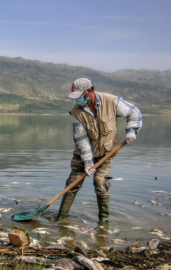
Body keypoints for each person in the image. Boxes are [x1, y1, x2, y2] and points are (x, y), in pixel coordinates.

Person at [55, 78, 142, 224]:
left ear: (89, 91)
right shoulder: (76, 112)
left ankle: (103, 221)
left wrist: (131, 131)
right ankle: (61, 218)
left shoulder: (111, 101)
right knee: (72, 183)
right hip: (82, 153)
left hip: (106, 152)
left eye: (80, 97)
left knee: (100, 183)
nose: (78, 101)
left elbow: (134, 113)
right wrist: (88, 162)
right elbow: (81, 139)